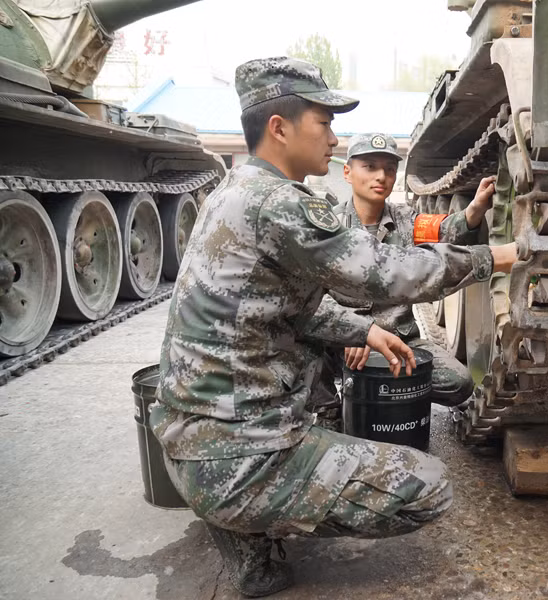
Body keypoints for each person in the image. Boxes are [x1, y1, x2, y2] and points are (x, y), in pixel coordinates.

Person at [149, 56, 518, 598]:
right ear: (280, 127)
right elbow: (386, 274)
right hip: (243, 454)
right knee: (430, 487)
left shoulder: (230, 195)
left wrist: (361, 331)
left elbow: (275, 306)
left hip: (186, 443)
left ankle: (253, 552)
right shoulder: (280, 204)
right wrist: (497, 257)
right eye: (323, 122)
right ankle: (264, 505)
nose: (332, 137)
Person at [313, 133, 493, 427]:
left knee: (459, 384)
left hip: (399, 340)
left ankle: (375, 390)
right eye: (369, 167)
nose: (381, 176)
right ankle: (330, 413)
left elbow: (444, 234)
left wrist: (474, 210)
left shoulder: (405, 219)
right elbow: (311, 295)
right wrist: (354, 330)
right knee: (300, 348)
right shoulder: (327, 226)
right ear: (347, 173)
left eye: (389, 169)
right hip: (339, 342)